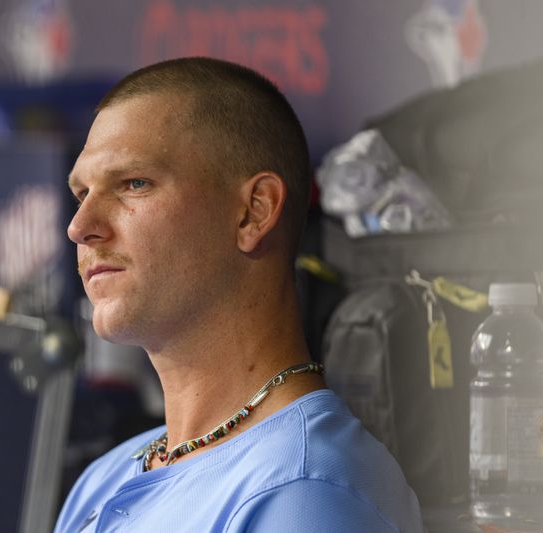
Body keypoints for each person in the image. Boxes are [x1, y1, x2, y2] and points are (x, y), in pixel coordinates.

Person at [56, 57, 424, 532]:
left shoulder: (306, 494)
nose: (80, 227)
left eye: (134, 184)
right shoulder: (105, 477)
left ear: (254, 212)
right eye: (81, 193)